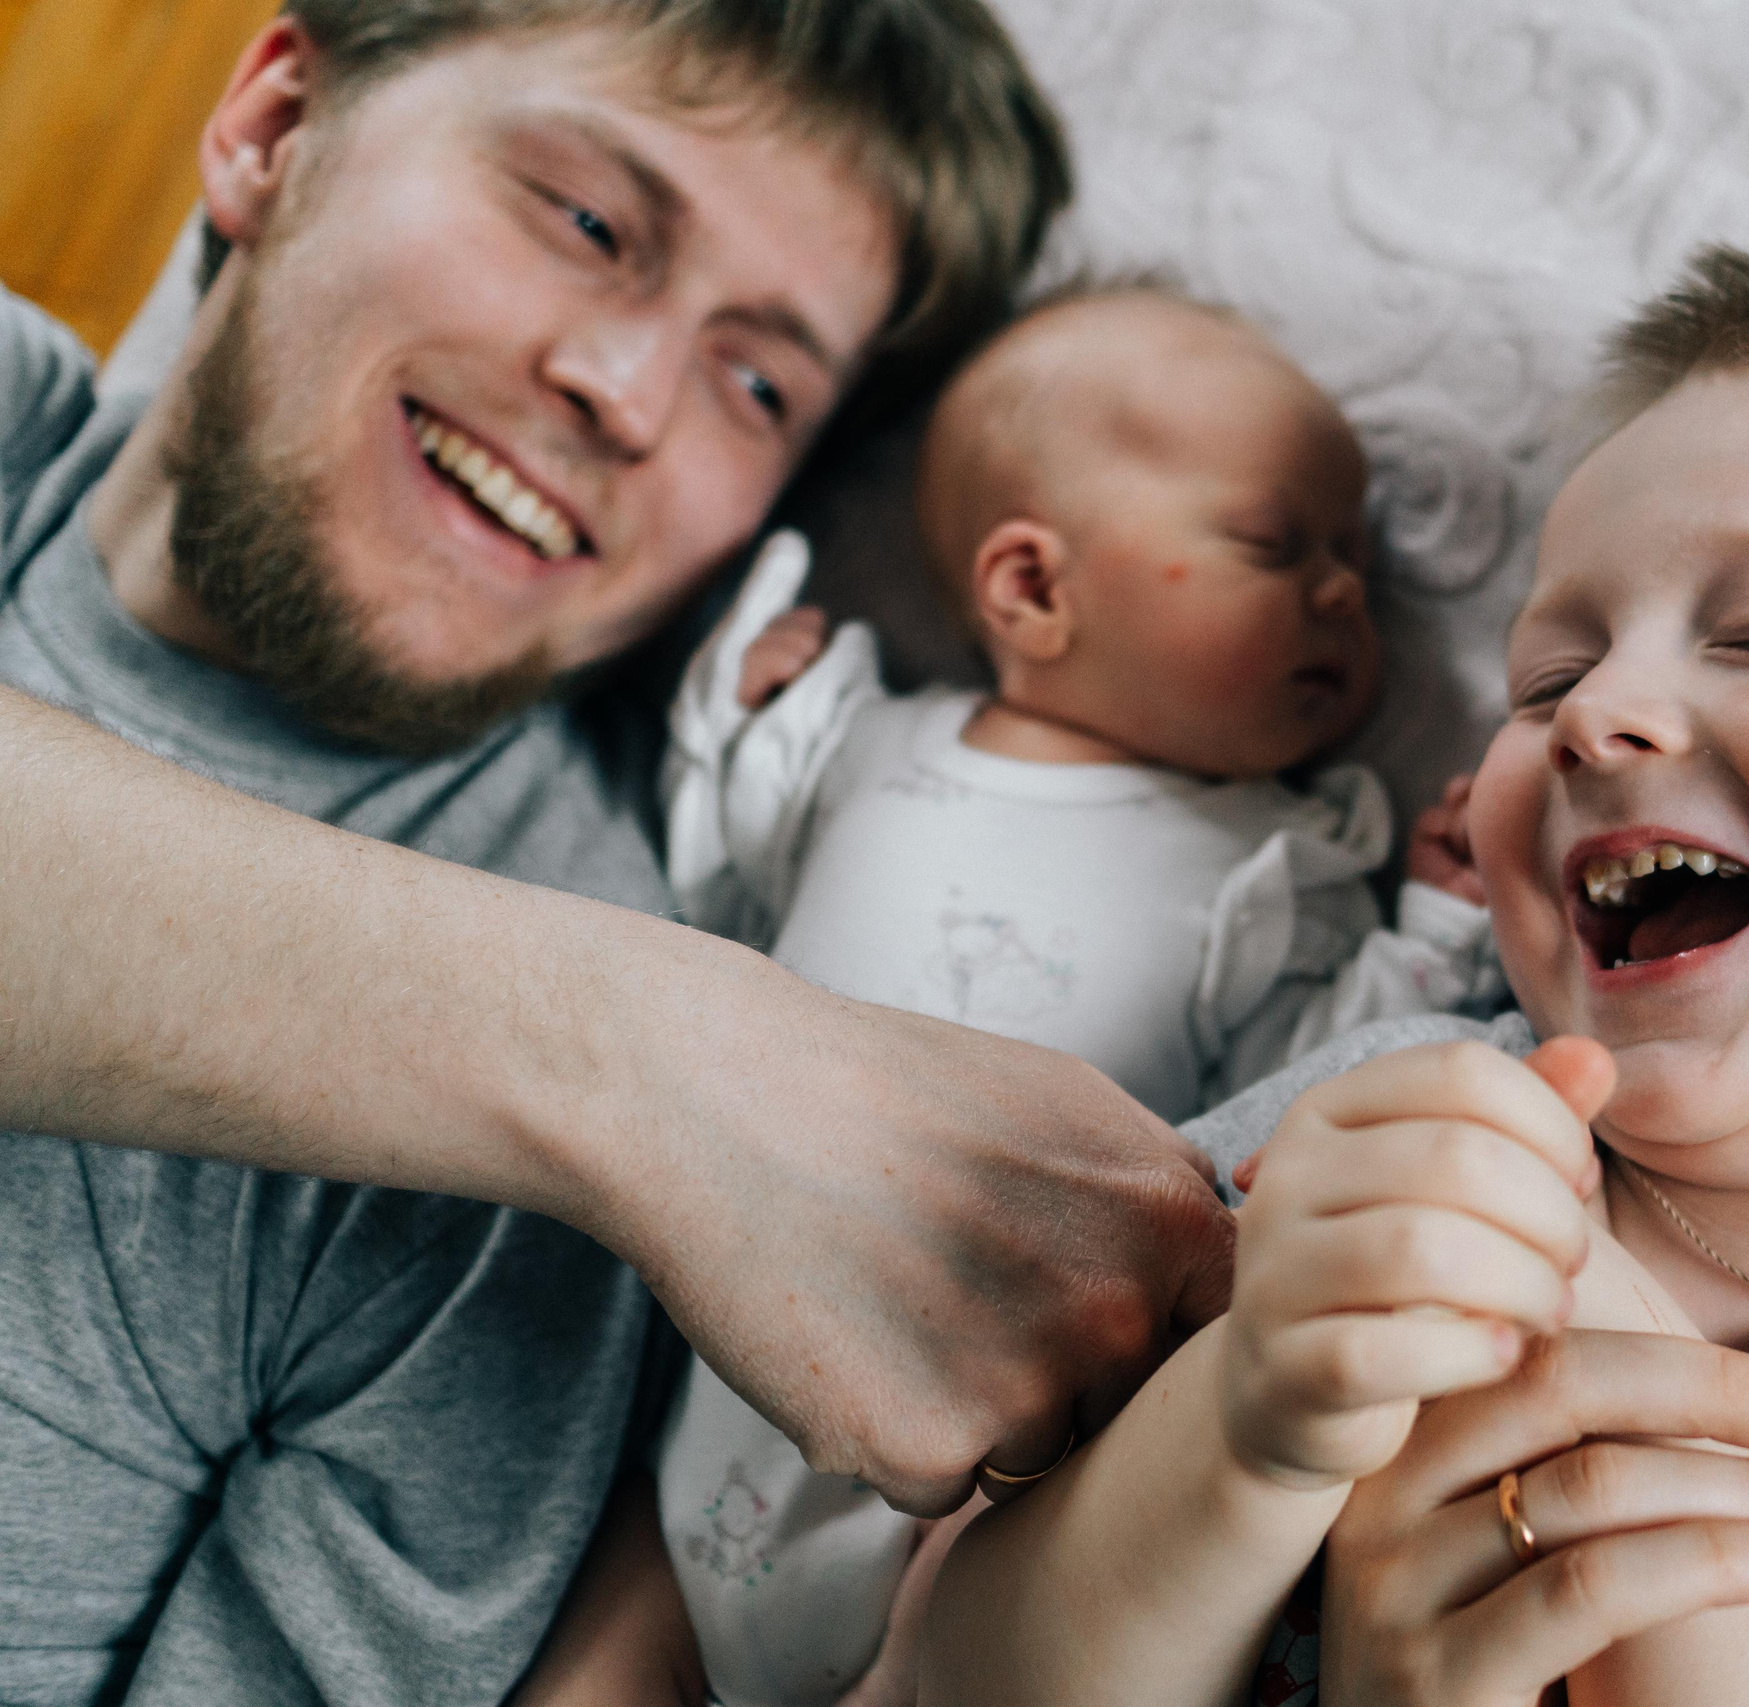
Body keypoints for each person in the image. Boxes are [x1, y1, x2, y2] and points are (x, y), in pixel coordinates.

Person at [0, 3, 1246, 1699]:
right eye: (588, 221)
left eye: (758, 382)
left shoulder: (547, 1216)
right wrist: (637, 1058)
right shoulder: (662, 1104)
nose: (626, 394)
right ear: (275, 127)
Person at [915, 241, 1749, 1705]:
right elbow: (925, 1656)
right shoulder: (1390, 1120)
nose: (1597, 713)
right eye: (1547, 681)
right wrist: (1246, 1428)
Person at [510, 282, 1506, 1707]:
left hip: (979, 1495)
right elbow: (721, 883)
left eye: (1350, 556)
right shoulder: (863, 740)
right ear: (1033, 590)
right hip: (711, 1431)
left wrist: (1433, 929)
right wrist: (739, 717)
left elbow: (1301, 1095)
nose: (1348, 593)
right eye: (1275, 546)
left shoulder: (1271, 867)